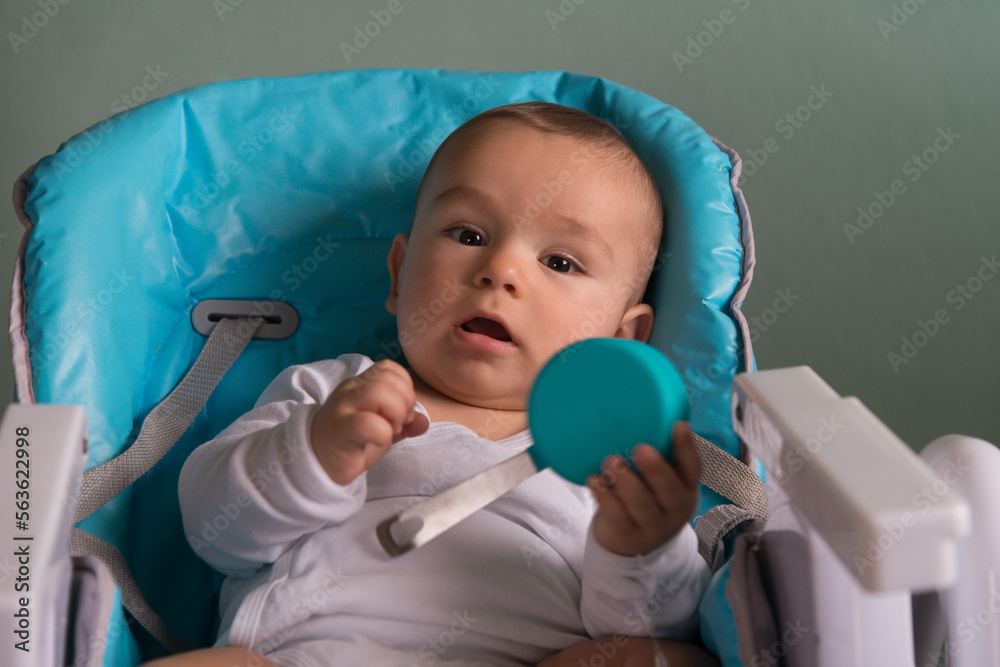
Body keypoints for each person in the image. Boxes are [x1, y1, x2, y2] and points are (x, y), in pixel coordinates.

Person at [149, 102, 718, 666]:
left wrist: (642, 546)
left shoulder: (611, 467)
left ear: (622, 338)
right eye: (469, 234)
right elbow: (213, 532)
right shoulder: (334, 393)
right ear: (400, 274)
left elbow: (651, 628)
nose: (501, 270)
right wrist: (316, 453)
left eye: (561, 262)